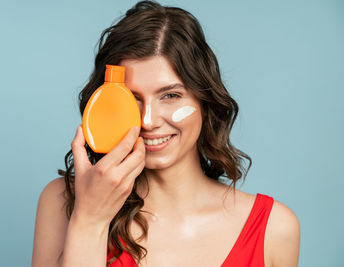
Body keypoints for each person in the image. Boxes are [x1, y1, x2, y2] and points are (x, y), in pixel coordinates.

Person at [32, 1, 300, 266]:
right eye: (131, 98)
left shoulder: (275, 229)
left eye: (170, 95)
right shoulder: (62, 202)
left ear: (205, 102)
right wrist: (90, 220)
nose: (148, 121)